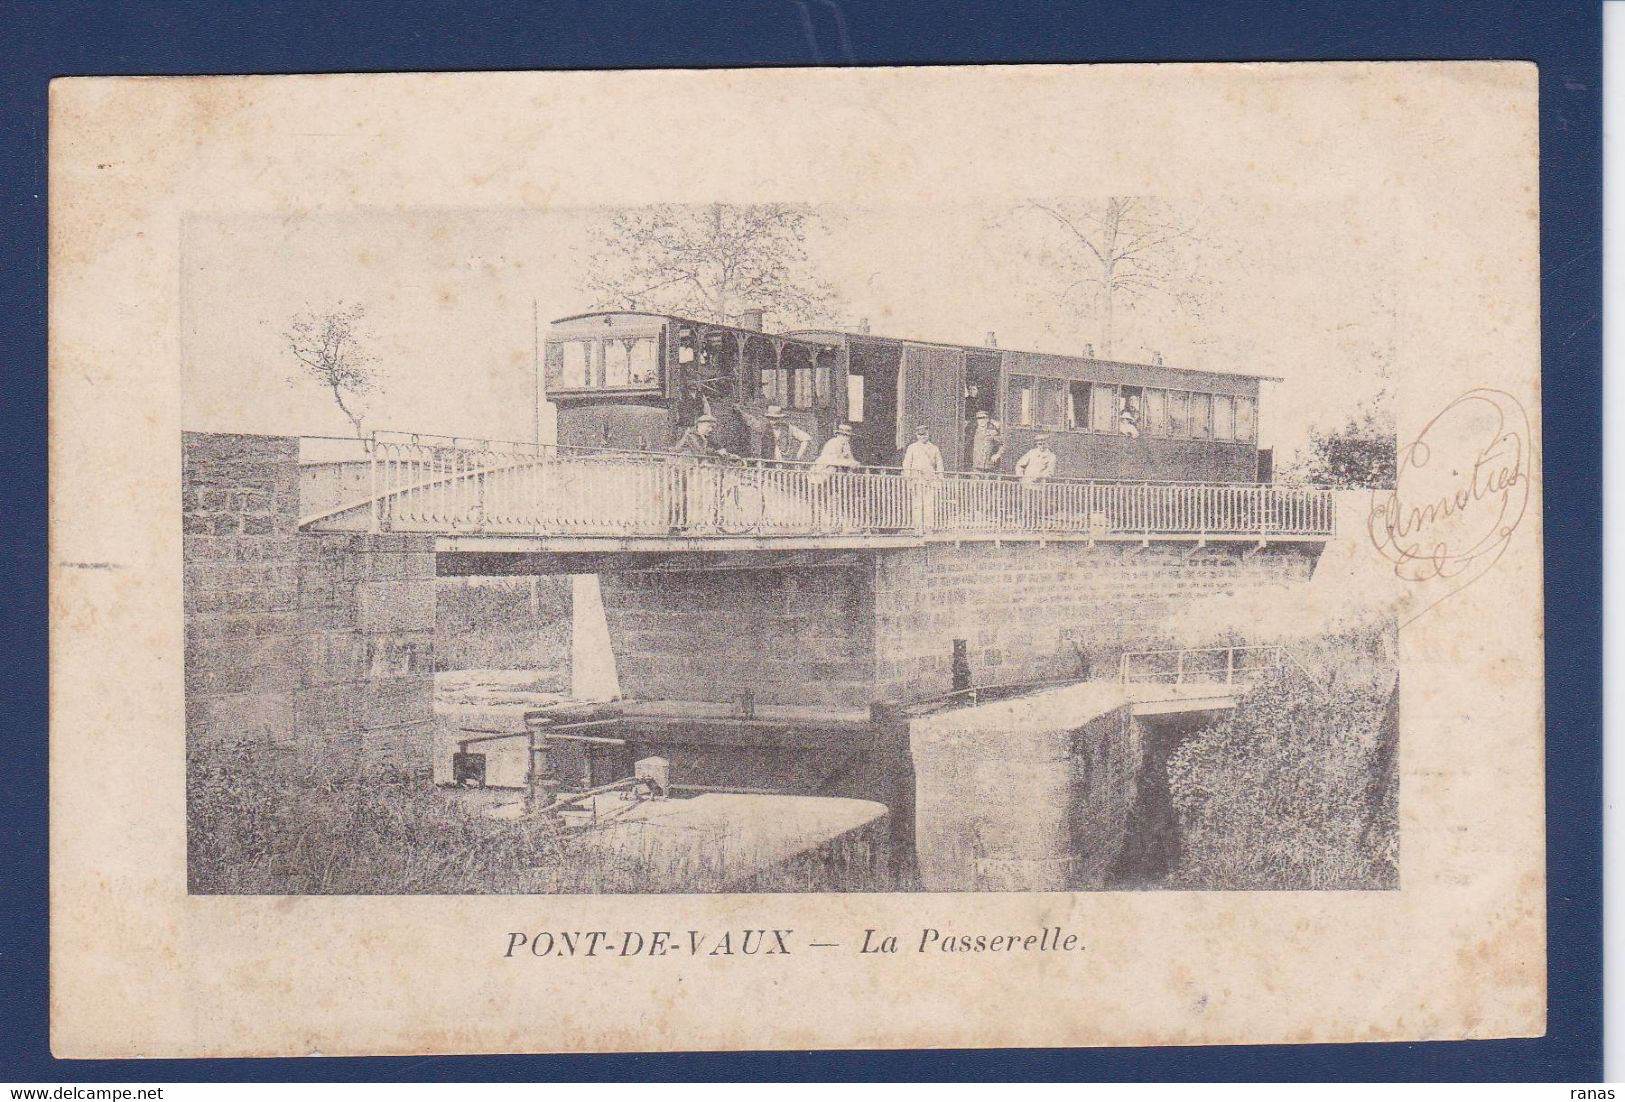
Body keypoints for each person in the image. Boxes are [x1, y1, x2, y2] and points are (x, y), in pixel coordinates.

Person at [809, 422, 863, 529]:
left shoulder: (846, 445)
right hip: (820, 477)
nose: (845, 438)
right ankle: (816, 525)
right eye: (843, 435)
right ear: (838, 435)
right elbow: (833, 460)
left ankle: (835, 525)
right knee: (819, 502)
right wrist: (849, 463)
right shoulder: (832, 443)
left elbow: (850, 460)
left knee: (835, 501)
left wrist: (853, 463)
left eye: (847, 436)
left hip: (834, 480)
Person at [902, 424, 944, 529]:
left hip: (930, 479)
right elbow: (907, 463)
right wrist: (907, 477)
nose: (922, 437)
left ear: (928, 434)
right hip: (916, 479)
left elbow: (939, 464)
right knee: (917, 503)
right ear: (917, 435)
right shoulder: (912, 447)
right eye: (920, 435)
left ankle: (928, 526)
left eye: (924, 434)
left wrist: (939, 478)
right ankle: (918, 526)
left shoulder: (934, 448)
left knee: (929, 503)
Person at [1014, 432, 1057, 530]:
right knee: (1026, 506)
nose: (1041, 446)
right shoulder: (1031, 453)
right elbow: (1019, 465)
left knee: (1036, 506)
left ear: (1047, 444)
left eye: (1043, 443)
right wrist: (1021, 478)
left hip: (1039, 486)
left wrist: (1040, 476)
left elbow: (1050, 472)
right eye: (1039, 444)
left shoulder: (1051, 456)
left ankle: (1034, 526)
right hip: (1027, 484)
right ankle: (1025, 526)